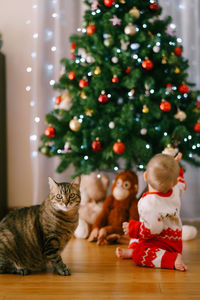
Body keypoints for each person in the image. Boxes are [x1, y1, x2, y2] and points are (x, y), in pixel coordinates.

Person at [116, 152, 187, 271]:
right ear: (174, 182)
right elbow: (181, 182)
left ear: (145, 176)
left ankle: (171, 259)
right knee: (136, 238)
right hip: (175, 243)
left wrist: (134, 228)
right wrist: (176, 166)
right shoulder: (175, 188)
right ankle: (132, 250)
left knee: (140, 255)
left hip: (158, 242)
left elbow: (153, 229)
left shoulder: (149, 203)